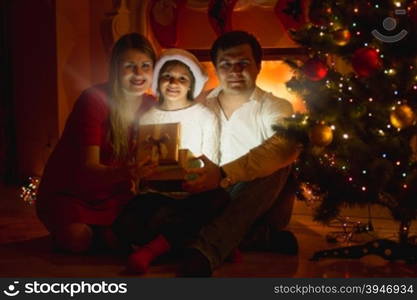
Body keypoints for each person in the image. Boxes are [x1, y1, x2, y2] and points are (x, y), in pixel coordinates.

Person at [181, 31, 301, 276]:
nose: (234, 71)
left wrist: (225, 174)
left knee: (279, 162)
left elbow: (285, 147)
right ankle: (258, 239)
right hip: (214, 198)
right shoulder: (199, 105)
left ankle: (206, 249)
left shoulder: (276, 106)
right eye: (225, 64)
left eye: (243, 63)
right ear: (216, 68)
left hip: (261, 202)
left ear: (258, 67)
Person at [36, 33, 157, 253]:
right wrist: (128, 173)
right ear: (115, 68)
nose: (139, 74)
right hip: (72, 192)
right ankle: (98, 234)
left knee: (141, 228)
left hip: (114, 194)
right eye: (129, 66)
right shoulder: (94, 100)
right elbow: (88, 169)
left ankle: (108, 235)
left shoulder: (151, 105)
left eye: (145, 66)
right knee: (77, 239)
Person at [112, 49, 229, 274]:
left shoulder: (206, 117)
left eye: (182, 78)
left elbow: (211, 161)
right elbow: (141, 161)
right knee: (124, 224)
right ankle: (197, 241)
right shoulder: (147, 117)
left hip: (193, 192)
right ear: (158, 82)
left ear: (191, 85)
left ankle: (153, 250)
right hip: (156, 193)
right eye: (167, 76)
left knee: (217, 201)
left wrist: (194, 174)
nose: (174, 82)